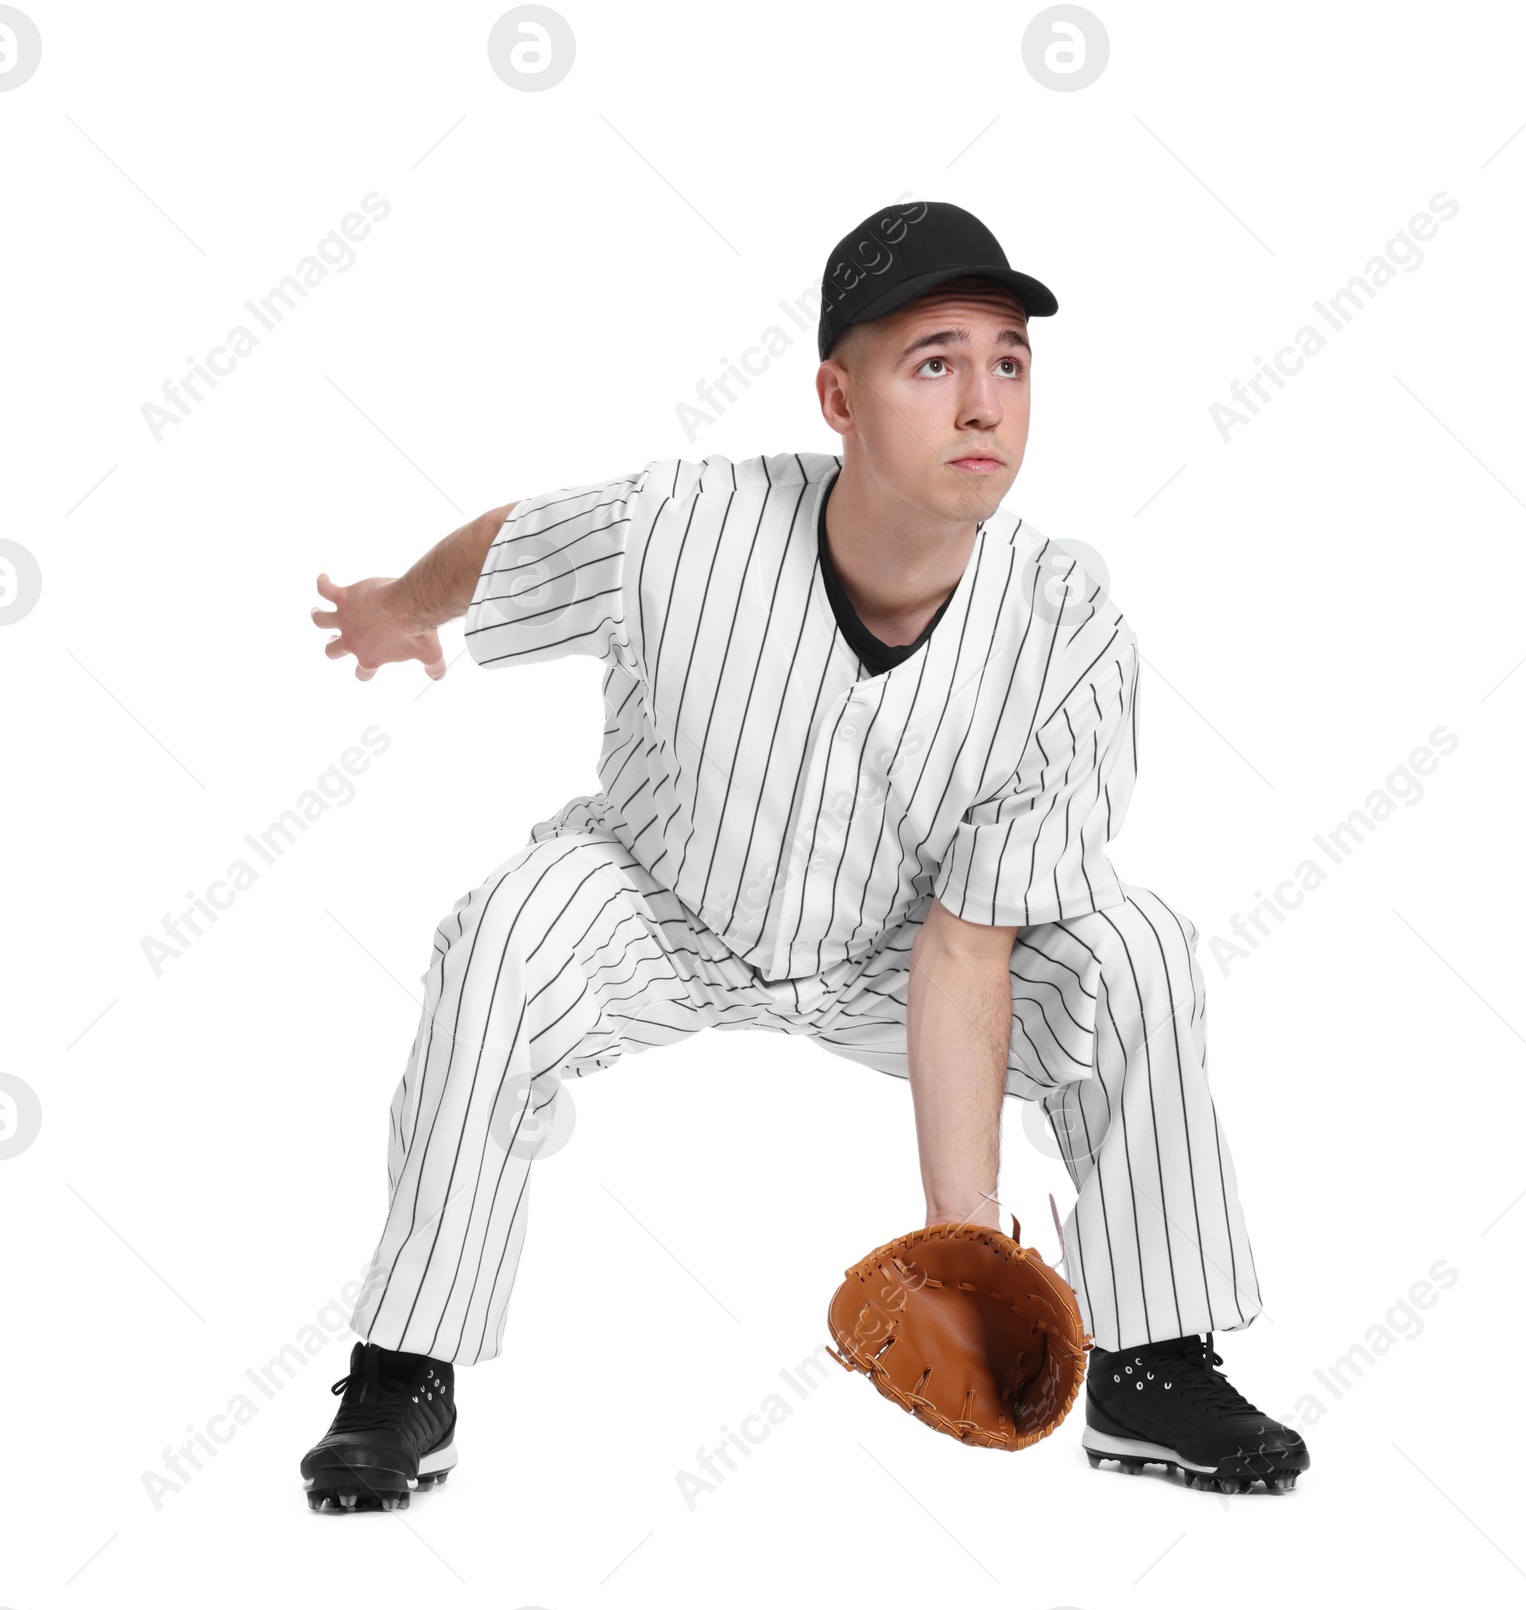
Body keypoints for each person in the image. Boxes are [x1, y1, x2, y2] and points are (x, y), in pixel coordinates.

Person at [302, 201, 1308, 1510]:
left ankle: (1154, 1366)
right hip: (658, 900)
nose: (984, 403)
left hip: (901, 944)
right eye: (934, 360)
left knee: (1133, 946)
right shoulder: (681, 521)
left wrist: (961, 1244)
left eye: (1009, 361)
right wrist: (395, 606)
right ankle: (403, 1365)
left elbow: (971, 941)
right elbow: (509, 546)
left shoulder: (1064, 623)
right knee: (500, 938)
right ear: (839, 393)